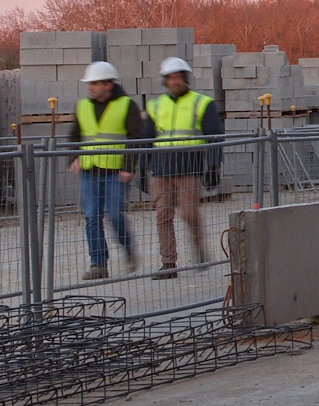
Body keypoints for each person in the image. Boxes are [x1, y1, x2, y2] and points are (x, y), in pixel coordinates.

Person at [142, 54, 223, 279]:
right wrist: (142, 169)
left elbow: (215, 136)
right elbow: (146, 138)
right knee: (163, 215)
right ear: (165, 81)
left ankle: (199, 250)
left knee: (188, 213)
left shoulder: (202, 103)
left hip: (189, 167)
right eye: (170, 78)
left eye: (178, 77)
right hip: (161, 168)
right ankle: (169, 264)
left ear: (185, 79)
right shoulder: (155, 105)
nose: (174, 81)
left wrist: (213, 167)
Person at [74, 60, 148, 279]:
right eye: (89, 83)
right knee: (92, 217)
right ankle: (98, 264)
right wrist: (74, 157)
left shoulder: (127, 105)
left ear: (108, 84)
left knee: (115, 215)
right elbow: (74, 135)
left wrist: (129, 167)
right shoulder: (83, 106)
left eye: (95, 83)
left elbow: (135, 138)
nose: (90, 87)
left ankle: (128, 248)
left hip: (116, 172)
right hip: (89, 170)